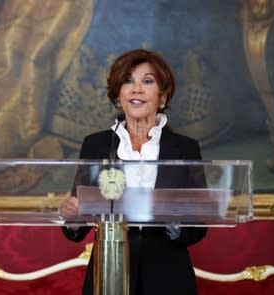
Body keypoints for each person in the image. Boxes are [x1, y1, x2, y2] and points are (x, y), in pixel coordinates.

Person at [60, 48, 207, 295]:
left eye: (147, 81)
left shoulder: (185, 148)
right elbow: (79, 217)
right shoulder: (95, 144)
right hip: (109, 273)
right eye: (128, 81)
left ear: (162, 97)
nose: (136, 89)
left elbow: (198, 225)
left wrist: (171, 217)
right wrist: (72, 216)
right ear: (119, 94)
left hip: (168, 276)